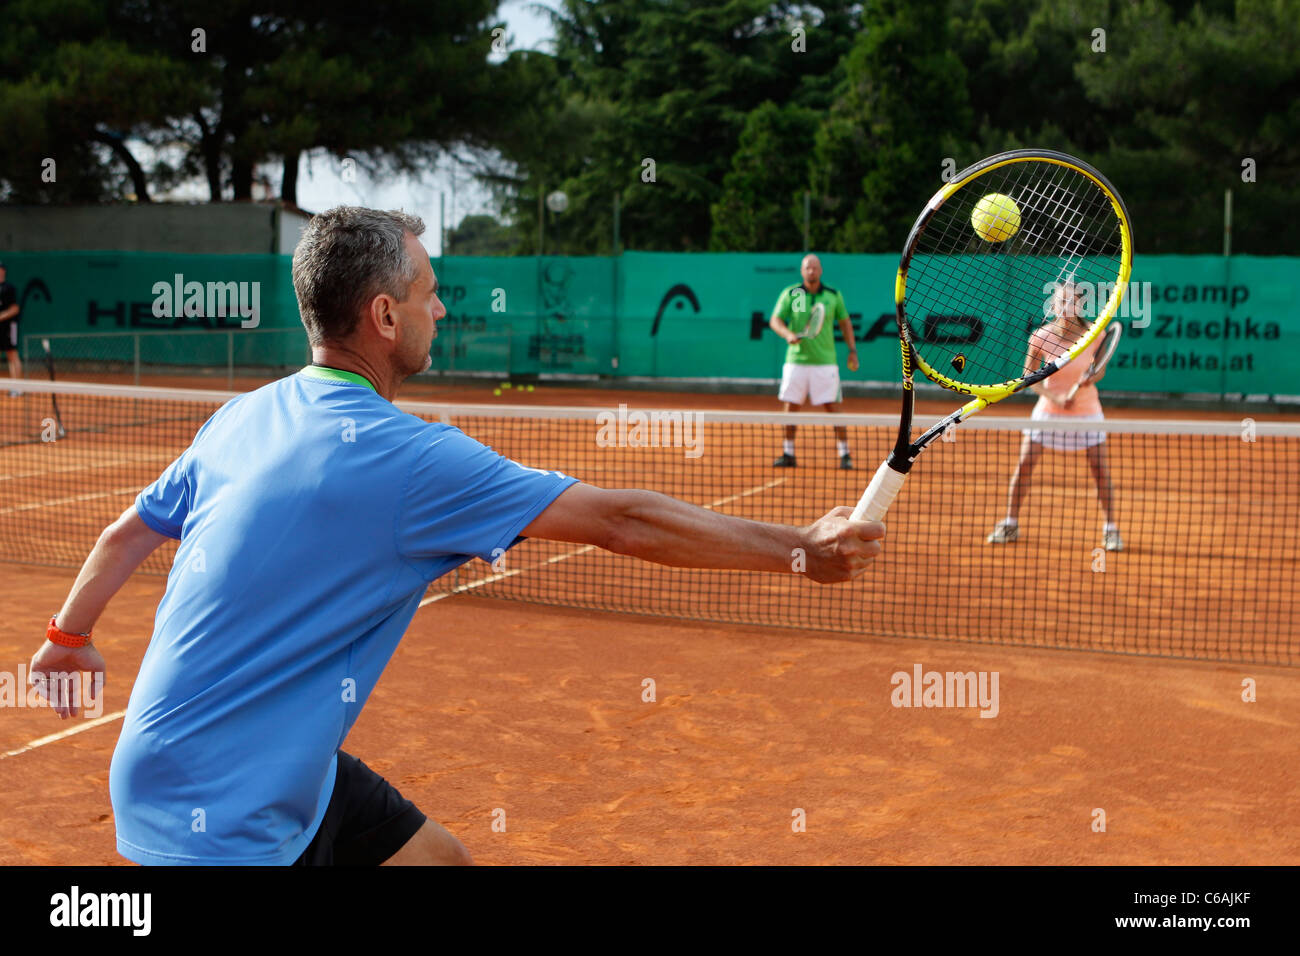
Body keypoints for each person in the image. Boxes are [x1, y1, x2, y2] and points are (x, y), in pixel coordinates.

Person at [27, 206, 885, 866]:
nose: (441, 304)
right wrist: (797, 548)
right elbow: (620, 519)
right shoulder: (412, 460)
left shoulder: (239, 416)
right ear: (384, 317)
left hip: (263, 774)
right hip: (215, 826)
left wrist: (67, 638)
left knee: (440, 859)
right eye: (427, 290)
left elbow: (121, 535)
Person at [986, 279, 1122, 552]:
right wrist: (1055, 398)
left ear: (1081, 305)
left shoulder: (1095, 333)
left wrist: (1091, 379)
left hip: (1087, 412)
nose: (1066, 306)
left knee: (1099, 470)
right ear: (1053, 304)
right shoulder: (1039, 337)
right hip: (1048, 411)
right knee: (1025, 464)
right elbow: (1029, 378)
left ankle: (1111, 530)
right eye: (1061, 301)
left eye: (1072, 301)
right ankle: (1011, 523)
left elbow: (1100, 369)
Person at [768, 254, 859, 469]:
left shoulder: (832, 295)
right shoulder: (793, 294)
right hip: (796, 361)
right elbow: (775, 320)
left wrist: (852, 350)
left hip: (825, 362)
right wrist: (787, 334)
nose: (811, 271)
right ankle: (788, 453)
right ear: (802, 271)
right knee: (791, 406)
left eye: (815, 267)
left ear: (821, 271)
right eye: (807, 267)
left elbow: (845, 324)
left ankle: (845, 454)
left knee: (833, 407)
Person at [0, 261, 22, 389]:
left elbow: (15, 309)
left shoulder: (9, 288)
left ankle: (17, 387)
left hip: (9, 327)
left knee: (12, 354)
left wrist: (1, 316)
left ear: (3, 271)